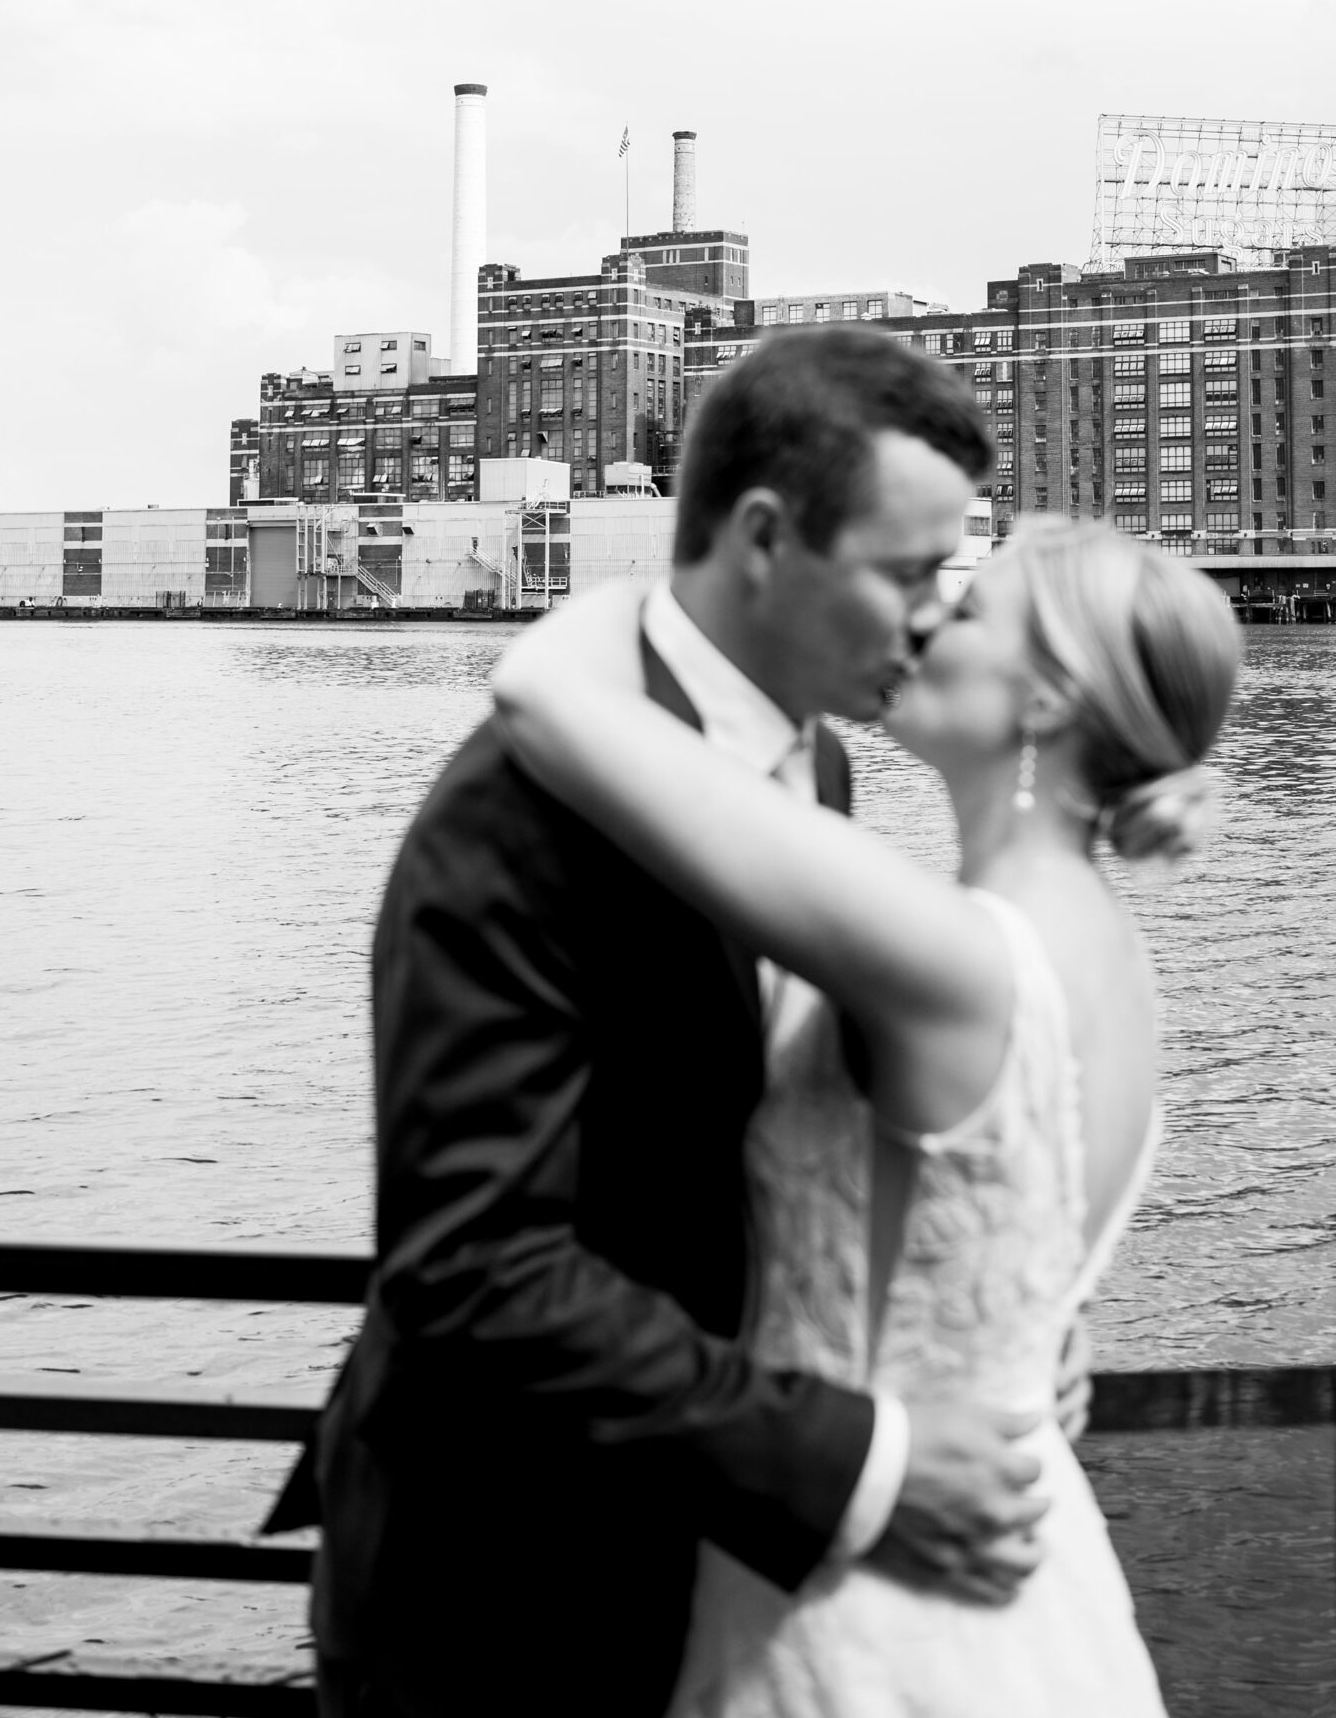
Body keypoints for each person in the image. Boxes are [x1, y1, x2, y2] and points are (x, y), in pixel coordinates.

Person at [306, 332, 1061, 1718]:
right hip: (508, 1588)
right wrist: (866, 1465)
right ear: (766, 537)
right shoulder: (518, 812)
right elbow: (472, 1272)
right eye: (904, 572)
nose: (926, 619)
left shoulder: (816, 761)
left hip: (704, 1547)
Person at [492, 433, 1241, 1712]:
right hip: (1026, 1567)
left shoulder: (950, 952)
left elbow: (541, 695)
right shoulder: (1113, 958)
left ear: (1047, 700)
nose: (926, 608)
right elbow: (1004, 1250)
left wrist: (684, 573)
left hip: (867, 1597)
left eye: (971, 599)